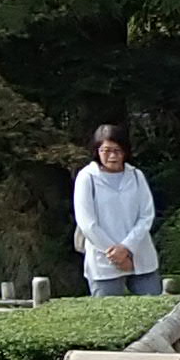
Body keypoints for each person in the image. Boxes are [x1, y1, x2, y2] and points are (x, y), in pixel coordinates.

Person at [74, 123, 161, 296]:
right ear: (97, 151)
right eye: (106, 151)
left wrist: (127, 248)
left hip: (140, 255)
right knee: (108, 317)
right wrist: (115, 254)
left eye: (117, 150)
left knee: (154, 313)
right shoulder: (87, 177)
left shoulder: (136, 175)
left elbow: (146, 215)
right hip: (103, 260)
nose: (112, 156)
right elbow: (87, 223)